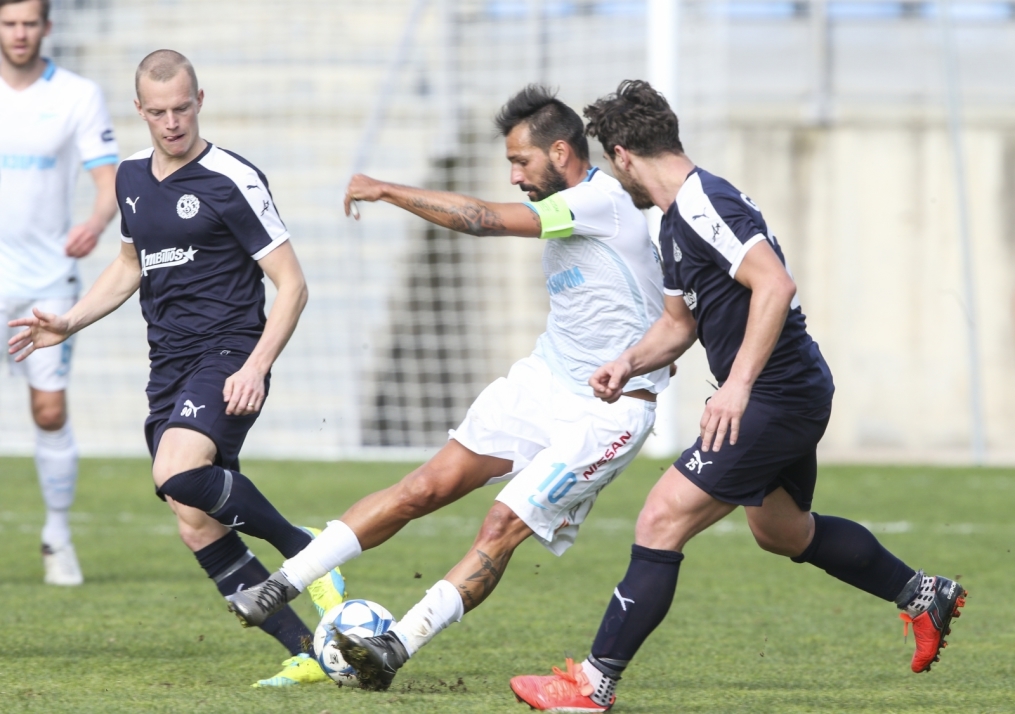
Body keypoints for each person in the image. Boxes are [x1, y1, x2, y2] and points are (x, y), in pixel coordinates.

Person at [509, 80, 967, 713]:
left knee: (661, 518)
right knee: (781, 530)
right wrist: (627, 362)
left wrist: (738, 388)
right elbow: (679, 323)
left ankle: (592, 684)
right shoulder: (673, 222)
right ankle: (924, 594)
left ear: (623, 155)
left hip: (775, 393)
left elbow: (775, 285)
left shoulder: (705, 202)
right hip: (785, 392)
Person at [226, 85, 669, 691]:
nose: (514, 176)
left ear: (561, 152)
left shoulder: (599, 201)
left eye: (521, 161)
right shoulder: (575, 204)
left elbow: (483, 220)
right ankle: (281, 585)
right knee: (423, 486)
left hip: (607, 413)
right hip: (543, 381)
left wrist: (387, 190)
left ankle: (395, 646)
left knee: (501, 526)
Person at [8, 49, 345, 688]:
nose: (172, 123)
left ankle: (307, 549)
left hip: (228, 354)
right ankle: (309, 651)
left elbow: (293, 284)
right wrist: (69, 321)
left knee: (177, 471)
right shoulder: (131, 177)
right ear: (139, 109)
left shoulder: (232, 178)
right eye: (158, 112)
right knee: (195, 523)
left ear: (200, 101)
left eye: (182, 109)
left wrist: (256, 366)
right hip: (168, 366)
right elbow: (129, 265)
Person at [0, 0, 118, 586]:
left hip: (47, 278)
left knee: (48, 410)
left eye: (29, 23)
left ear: (46, 27)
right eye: (9, 22)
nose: (19, 33)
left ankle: (58, 536)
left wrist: (95, 224)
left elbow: (108, 182)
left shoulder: (76, 94)